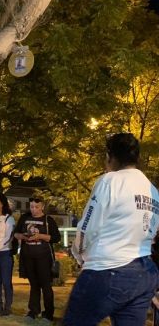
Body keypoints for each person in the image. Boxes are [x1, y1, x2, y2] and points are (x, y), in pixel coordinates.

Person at [64, 133, 159, 325]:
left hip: (107, 270)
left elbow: (87, 227)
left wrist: (79, 255)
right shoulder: (152, 190)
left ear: (109, 156)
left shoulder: (110, 181)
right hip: (143, 272)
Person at [13, 196, 60, 321]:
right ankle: (33, 311)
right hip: (28, 257)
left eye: (37, 207)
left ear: (42, 207)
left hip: (44, 258)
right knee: (34, 285)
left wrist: (40, 236)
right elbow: (16, 233)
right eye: (32, 206)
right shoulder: (25, 218)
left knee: (46, 285)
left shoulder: (48, 220)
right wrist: (24, 236)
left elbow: (56, 237)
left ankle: (48, 314)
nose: (34, 209)